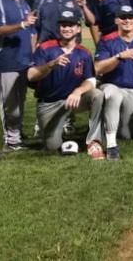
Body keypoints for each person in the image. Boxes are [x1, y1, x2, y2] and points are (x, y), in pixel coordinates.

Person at [27, 10, 105, 159]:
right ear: (59, 28)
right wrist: (51, 65)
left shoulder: (84, 52)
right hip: (50, 103)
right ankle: (58, 133)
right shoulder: (45, 48)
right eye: (63, 25)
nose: (67, 29)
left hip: (73, 100)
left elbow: (91, 80)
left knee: (97, 95)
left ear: (78, 28)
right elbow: (31, 76)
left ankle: (94, 141)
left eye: (71, 25)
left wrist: (78, 91)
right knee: (52, 146)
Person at [0, 0, 37, 152]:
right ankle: (10, 141)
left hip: (24, 60)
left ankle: (16, 133)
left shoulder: (24, 3)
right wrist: (23, 24)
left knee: (20, 101)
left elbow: (32, 32)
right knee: (10, 103)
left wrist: (33, 55)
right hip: (6, 60)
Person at [94, 5, 133, 160]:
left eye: (130, 17)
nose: (127, 20)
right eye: (123, 17)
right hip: (111, 85)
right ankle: (111, 145)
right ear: (116, 20)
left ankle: (108, 127)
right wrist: (118, 57)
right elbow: (98, 68)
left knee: (127, 134)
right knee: (114, 96)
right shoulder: (107, 40)